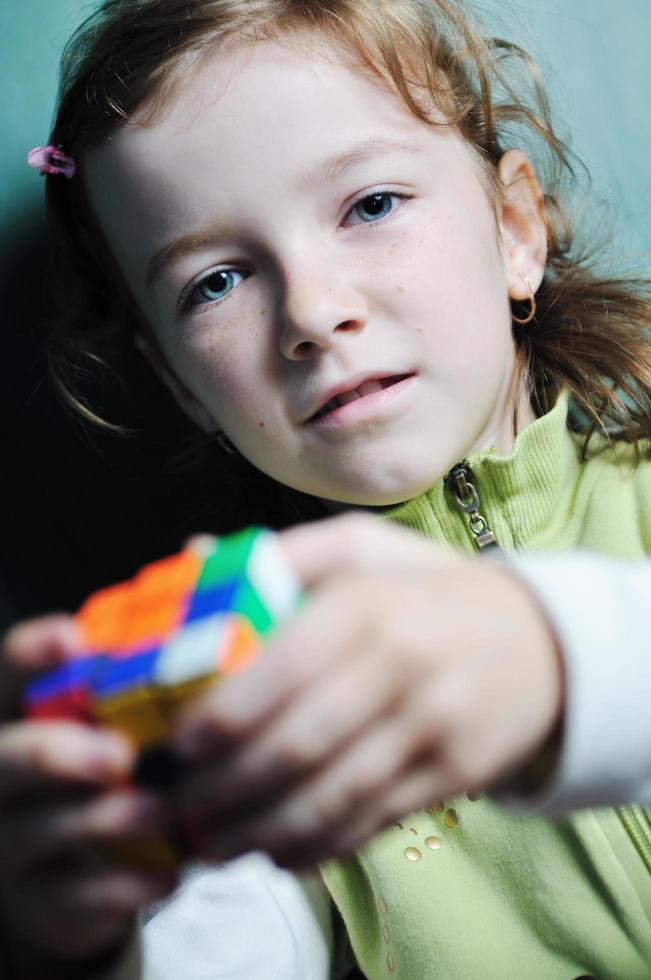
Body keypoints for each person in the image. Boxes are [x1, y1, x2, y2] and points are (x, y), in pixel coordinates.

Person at [4, 0, 651, 976]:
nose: (311, 310)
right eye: (216, 281)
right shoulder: (247, 675)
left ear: (515, 230)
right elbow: (221, 940)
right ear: (182, 382)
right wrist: (90, 936)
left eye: (371, 205)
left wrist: (555, 663)